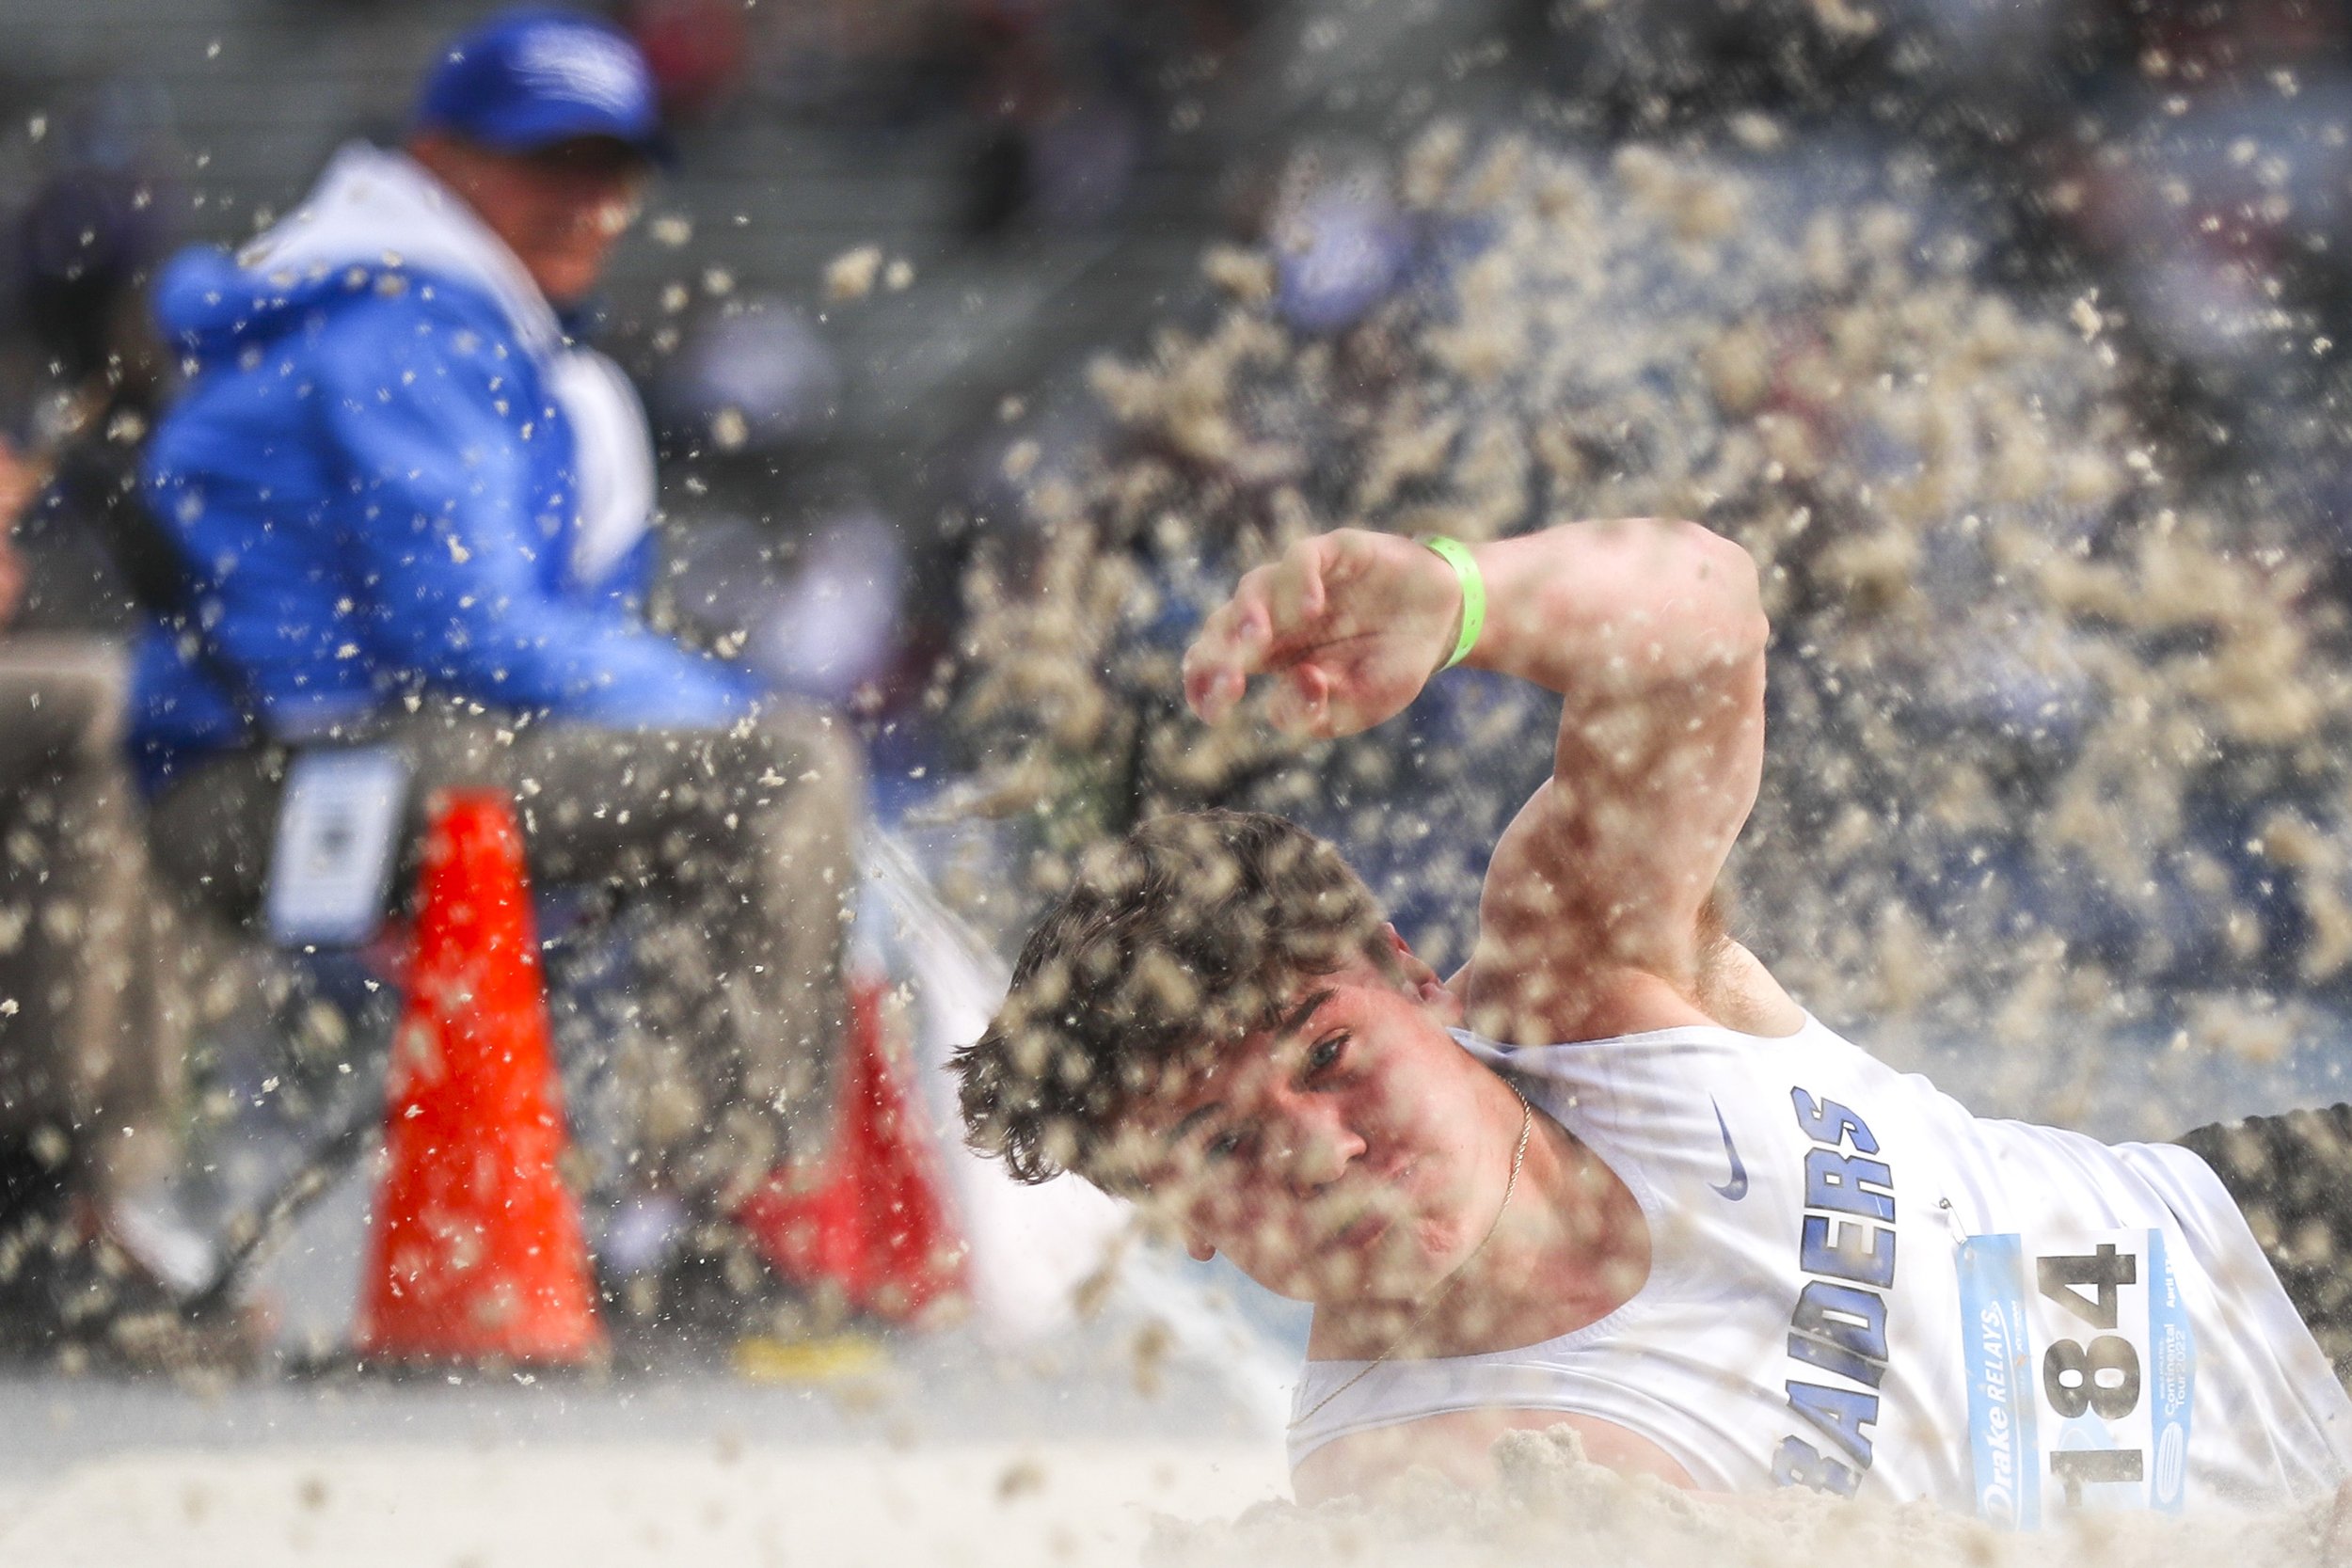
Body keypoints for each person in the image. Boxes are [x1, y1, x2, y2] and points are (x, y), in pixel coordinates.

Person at [955, 520, 2352, 1520]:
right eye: (1218, 1142)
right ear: (1179, 1222)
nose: (1316, 1151)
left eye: (1327, 1057)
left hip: (2278, 1247)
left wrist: (1463, 595)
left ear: (1410, 976)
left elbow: (1707, 617)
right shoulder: (1427, 1480)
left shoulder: (1584, 989)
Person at [130, 7, 861, 1304]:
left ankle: (679, 1211)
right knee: (777, 773)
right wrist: (738, 713)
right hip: (276, 803)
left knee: (747, 763)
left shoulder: (398, 300)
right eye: (550, 162)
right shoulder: (407, 325)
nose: (588, 201)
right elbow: (470, 631)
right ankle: (704, 1234)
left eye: (616, 171)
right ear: (437, 155)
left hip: (308, 772)